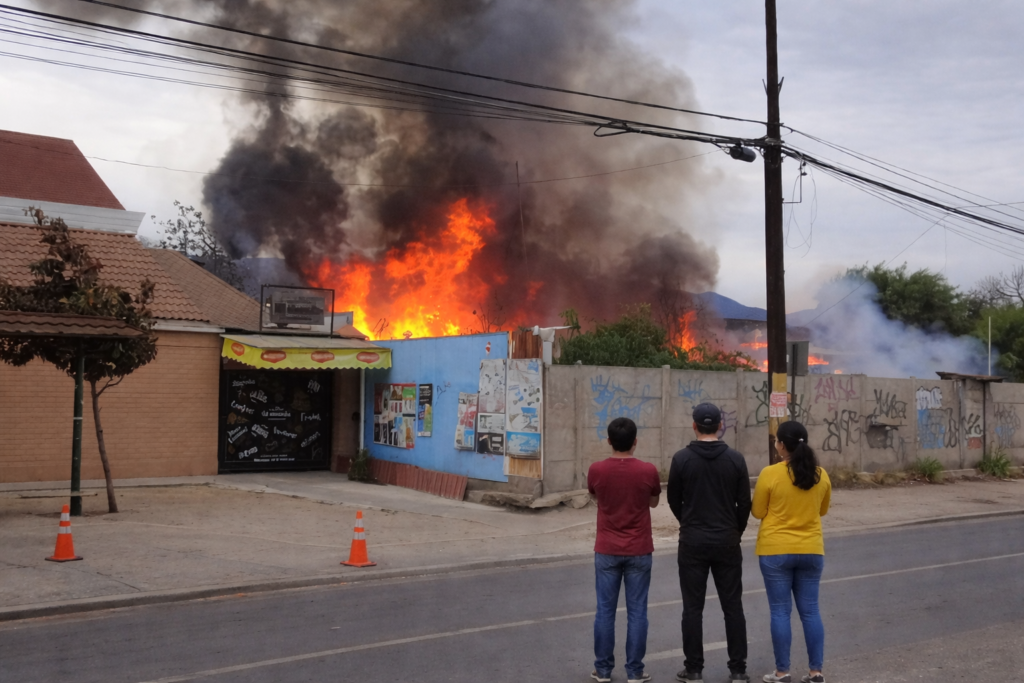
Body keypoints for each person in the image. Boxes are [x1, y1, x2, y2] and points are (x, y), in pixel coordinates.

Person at [667, 402, 752, 683]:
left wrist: (689, 523)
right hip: (727, 541)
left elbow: (673, 500)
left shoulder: (681, 459)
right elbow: (744, 504)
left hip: (692, 542)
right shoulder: (736, 460)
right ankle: (738, 670)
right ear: (719, 426)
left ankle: (693, 669)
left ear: (694, 426)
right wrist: (734, 531)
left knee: (692, 608)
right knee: (733, 607)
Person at [752, 421, 832, 683]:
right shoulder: (820, 474)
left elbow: (758, 512)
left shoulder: (770, 474)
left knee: (780, 611)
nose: (775, 444)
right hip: (811, 549)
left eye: (776, 440)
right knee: (810, 611)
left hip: (776, 550)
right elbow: (822, 511)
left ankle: (782, 672)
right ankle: (816, 672)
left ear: (782, 445)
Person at [587, 417, 662, 683]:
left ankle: (603, 670)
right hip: (639, 548)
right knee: (638, 611)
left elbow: (595, 497)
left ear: (609, 441)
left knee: (605, 611)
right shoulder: (648, 470)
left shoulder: (596, 469)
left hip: (606, 548)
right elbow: (653, 503)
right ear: (635, 441)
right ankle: (635, 671)